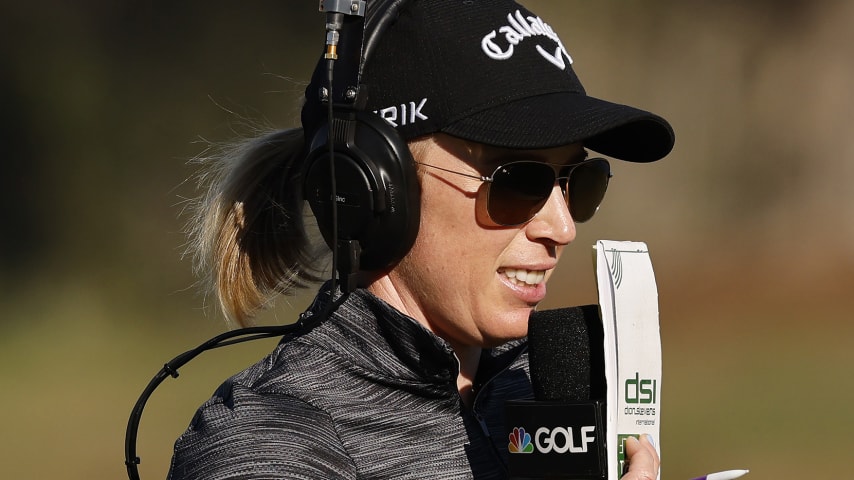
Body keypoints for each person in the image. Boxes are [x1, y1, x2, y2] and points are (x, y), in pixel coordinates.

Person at [168, 0, 674, 478]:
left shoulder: (558, 396)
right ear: (368, 188)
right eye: (519, 181)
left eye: (577, 182)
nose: (562, 228)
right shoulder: (271, 445)